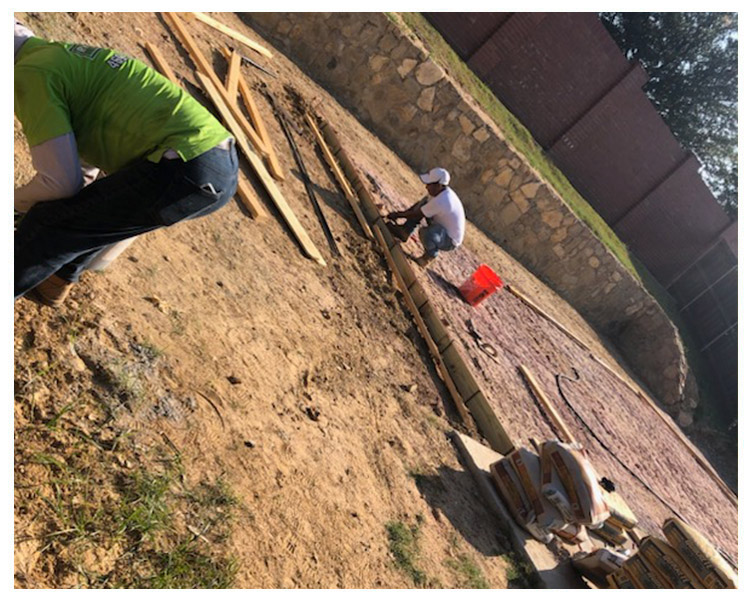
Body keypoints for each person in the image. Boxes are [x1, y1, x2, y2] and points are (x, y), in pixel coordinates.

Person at [13, 19, 239, 307]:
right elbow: (80, 172)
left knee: (48, 225)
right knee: (85, 214)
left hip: (185, 164)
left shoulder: (31, 75)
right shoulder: (58, 57)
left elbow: (61, 183)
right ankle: (53, 284)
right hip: (216, 167)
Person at [385, 167, 465, 267]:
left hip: (449, 240)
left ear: (438, 185)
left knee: (426, 233)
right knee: (424, 203)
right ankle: (405, 231)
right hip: (440, 227)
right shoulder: (438, 192)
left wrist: (397, 215)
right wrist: (401, 214)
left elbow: (418, 214)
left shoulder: (443, 201)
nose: (426, 187)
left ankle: (429, 256)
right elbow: (418, 208)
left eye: (429, 184)